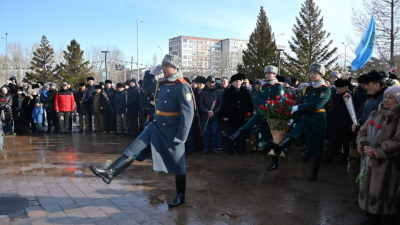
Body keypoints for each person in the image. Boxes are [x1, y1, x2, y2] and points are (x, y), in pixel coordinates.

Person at [90, 54, 194, 208]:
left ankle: (181, 194)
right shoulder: (161, 82)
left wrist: (182, 135)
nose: (163, 68)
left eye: (166, 65)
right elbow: (146, 87)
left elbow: (188, 112)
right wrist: (150, 73)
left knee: (178, 163)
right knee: (135, 147)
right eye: (163, 65)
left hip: (172, 129)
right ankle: (110, 172)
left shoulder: (182, 85)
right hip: (156, 124)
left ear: (175, 68)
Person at [268, 63, 331, 181]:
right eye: (311, 72)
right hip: (305, 118)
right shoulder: (307, 88)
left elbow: (317, 104)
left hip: (317, 120)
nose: (312, 75)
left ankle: (314, 172)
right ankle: (279, 146)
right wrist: (294, 118)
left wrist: (299, 109)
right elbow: (300, 103)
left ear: (321, 75)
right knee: (293, 133)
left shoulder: (325, 89)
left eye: (315, 73)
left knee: (316, 147)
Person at [356, 85, 400, 225]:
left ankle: (386, 216)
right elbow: (362, 131)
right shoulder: (374, 114)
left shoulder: (398, 118)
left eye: (391, 98)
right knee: (370, 187)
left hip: (388, 164)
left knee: (385, 192)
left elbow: (398, 141)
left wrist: (378, 151)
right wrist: (363, 146)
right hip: (369, 160)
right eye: (385, 96)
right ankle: (372, 214)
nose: (386, 100)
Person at [224, 66, 284, 159]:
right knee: (249, 125)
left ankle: (275, 154)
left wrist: (270, 103)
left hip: (272, 113)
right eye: (266, 74)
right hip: (262, 111)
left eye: (269, 74)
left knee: (270, 136)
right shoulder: (263, 86)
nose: (267, 75)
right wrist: (265, 103)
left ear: (274, 75)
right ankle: (233, 138)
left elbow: (281, 100)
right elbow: (257, 99)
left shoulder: (278, 86)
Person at [220, 73, 254, 155]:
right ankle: (230, 149)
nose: (237, 83)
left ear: (242, 82)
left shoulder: (245, 91)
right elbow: (224, 104)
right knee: (230, 133)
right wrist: (224, 115)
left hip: (242, 117)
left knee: (242, 134)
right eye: (235, 82)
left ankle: (241, 149)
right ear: (232, 83)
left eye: (239, 81)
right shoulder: (228, 91)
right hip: (231, 116)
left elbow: (249, 104)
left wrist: (249, 114)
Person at [322, 79, 354, 164]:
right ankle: (330, 157)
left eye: (340, 88)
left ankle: (344, 158)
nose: (338, 90)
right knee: (333, 141)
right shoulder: (337, 96)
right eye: (337, 88)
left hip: (345, 122)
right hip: (336, 121)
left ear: (346, 87)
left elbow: (351, 111)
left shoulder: (348, 96)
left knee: (345, 142)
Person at [199, 75, 223, 155]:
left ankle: (214, 147)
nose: (211, 84)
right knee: (206, 133)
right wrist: (207, 111)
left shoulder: (218, 92)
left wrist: (214, 112)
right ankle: (205, 148)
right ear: (207, 83)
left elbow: (220, 104)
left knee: (214, 133)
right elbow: (201, 104)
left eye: (212, 82)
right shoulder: (203, 92)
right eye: (209, 82)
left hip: (214, 117)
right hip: (205, 117)